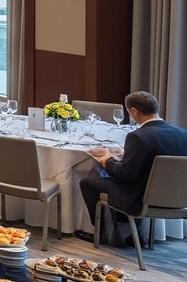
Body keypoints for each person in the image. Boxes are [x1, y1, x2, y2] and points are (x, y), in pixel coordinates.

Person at [79, 91, 187, 246]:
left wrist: (107, 159)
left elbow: (125, 174)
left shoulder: (138, 136)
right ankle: (133, 234)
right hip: (178, 197)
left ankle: (105, 235)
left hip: (140, 197)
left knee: (88, 183)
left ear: (134, 112)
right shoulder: (183, 134)